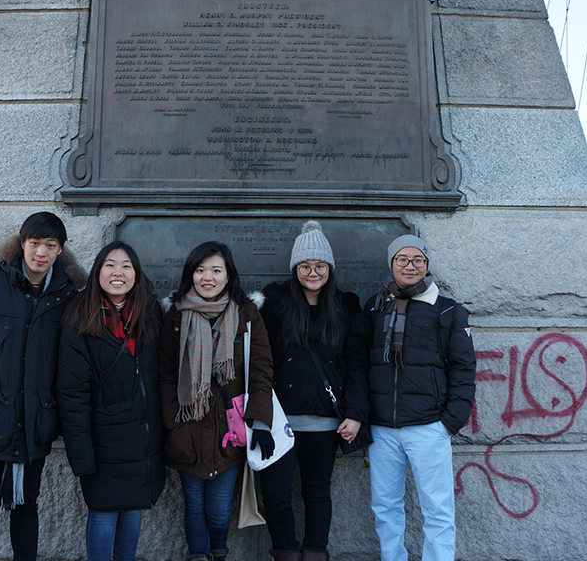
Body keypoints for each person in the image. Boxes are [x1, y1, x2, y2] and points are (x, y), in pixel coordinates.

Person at [0, 211, 86, 561]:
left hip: (34, 424)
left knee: (26, 507)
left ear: (59, 250)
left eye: (50, 245)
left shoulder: (68, 298)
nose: (41, 252)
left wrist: (52, 406)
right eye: (34, 243)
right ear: (21, 244)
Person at [258, 220, 370, 561]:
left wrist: (356, 415)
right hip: (279, 420)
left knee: (317, 492)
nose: (312, 272)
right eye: (305, 266)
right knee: (275, 495)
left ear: (329, 268)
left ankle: (315, 553)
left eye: (320, 266)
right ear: (296, 268)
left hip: (324, 422)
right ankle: (285, 554)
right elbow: (259, 361)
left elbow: (356, 365)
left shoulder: (345, 307)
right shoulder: (275, 305)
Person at [158, 241, 274, 561]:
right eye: (200, 270)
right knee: (194, 507)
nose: (207, 277)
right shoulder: (176, 314)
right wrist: (173, 422)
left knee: (220, 510)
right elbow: (165, 373)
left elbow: (261, 369)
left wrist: (260, 422)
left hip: (229, 430)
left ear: (228, 276)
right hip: (187, 427)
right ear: (190, 275)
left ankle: (218, 555)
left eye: (215, 270)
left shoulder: (246, 313)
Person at [365, 234, 476, 561]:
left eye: (417, 260)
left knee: (438, 510)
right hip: (383, 428)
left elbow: (463, 367)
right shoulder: (375, 306)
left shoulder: (447, 310)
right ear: (391, 263)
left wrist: (450, 423)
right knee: (385, 507)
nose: (410, 266)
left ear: (426, 265)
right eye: (402, 259)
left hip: (429, 427)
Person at [57, 241, 165, 561]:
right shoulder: (79, 316)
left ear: (136, 274)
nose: (118, 272)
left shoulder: (149, 312)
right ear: (97, 272)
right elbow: (71, 394)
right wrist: (81, 453)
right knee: (104, 510)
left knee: (133, 510)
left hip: (143, 437)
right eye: (110, 264)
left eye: (127, 266)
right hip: (102, 439)